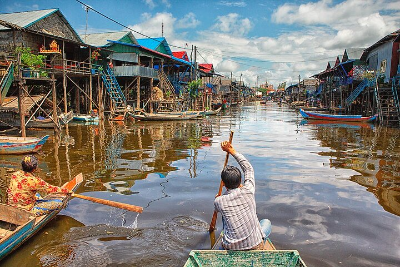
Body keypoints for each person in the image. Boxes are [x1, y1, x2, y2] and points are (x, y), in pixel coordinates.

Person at [214, 141, 271, 250]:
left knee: (225, 218)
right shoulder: (248, 190)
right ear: (240, 181)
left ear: (224, 184)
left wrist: (218, 198)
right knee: (266, 223)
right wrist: (231, 150)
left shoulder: (218, 201)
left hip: (230, 247)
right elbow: (248, 168)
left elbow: (217, 207)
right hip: (255, 245)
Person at [7, 155, 71, 216]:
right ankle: (35, 210)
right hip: (25, 211)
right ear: (34, 169)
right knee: (59, 203)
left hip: (12, 206)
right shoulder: (35, 181)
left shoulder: (15, 174)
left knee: (36, 194)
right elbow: (51, 189)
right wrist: (67, 191)